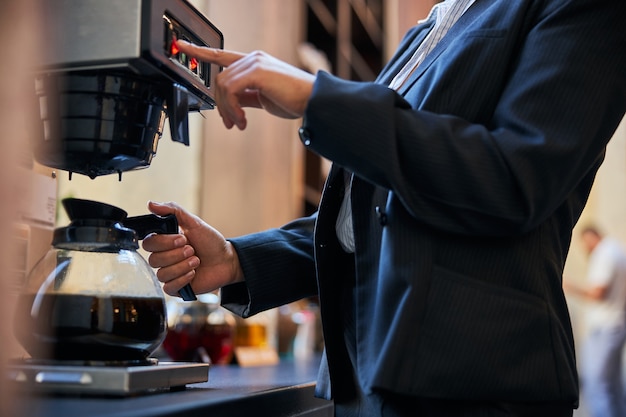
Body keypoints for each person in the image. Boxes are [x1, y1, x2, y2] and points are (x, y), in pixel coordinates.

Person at [142, 0, 626, 415]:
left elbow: (516, 178)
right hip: (367, 375)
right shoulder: (434, 24)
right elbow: (371, 218)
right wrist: (235, 259)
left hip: (472, 382)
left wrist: (318, 97)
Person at [564, 227, 626, 417]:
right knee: (613, 386)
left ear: (592, 237)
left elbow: (598, 292)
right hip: (615, 324)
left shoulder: (604, 253)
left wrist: (567, 285)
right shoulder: (617, 251)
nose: (584, 247)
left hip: (604, 328)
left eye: (584, 242)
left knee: (596, 385)